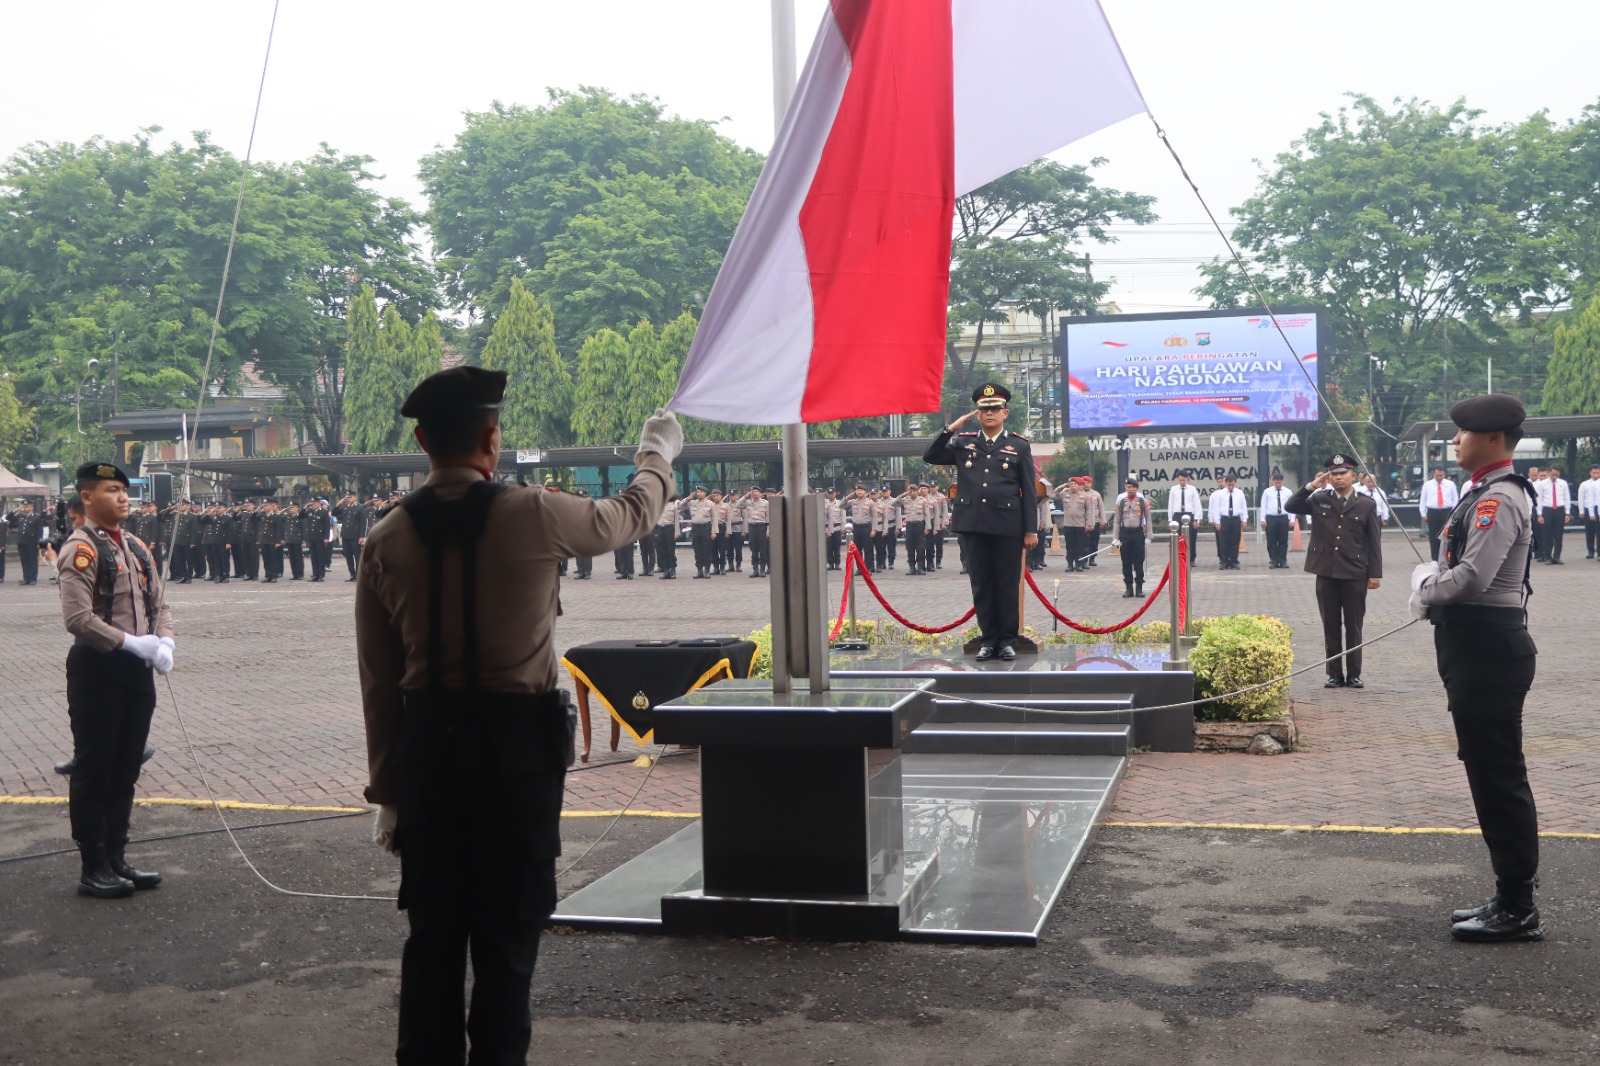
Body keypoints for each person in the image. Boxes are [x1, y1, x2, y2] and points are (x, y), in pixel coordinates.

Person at [357, 366, 681, 1063]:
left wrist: (388, 791)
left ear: (420, 440)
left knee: (434, 938)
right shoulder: (535, 512)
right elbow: (629, 515)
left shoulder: (386, 537)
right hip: (515, 757)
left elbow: (379, 682)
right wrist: (658, 454)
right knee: (507, 941)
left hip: (429, 756)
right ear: (491, 440)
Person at [1411, 394, 1544, 942]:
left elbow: (1471, 579)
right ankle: (1507, 895)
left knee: (1498, 776)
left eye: (1462, 433)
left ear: (1492, 438)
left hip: (1489, 648)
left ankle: (1518, 907)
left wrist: (1422, 587)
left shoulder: (1500, 500)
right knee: (1487, 772)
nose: (1455, 441)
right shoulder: (1482, 494)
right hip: (1472, 646)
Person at [56, 462, 174, 899]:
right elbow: (77, 618)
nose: (124, 497)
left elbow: (159, 602)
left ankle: (118, 856)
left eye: (125, 490)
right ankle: (94, 865)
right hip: (99, 666)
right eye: (112, 490)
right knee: (95, 767)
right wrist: (132, 643)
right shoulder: (80, 549)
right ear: (87, 497)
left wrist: (165, 642)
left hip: (137, 669)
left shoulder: (137, 547)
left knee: (126, 765)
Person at [922, 382, 1038, 661]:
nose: (989, 414)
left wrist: (1030, 529)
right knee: (982, 584)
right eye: (984, 409)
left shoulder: (1018, 445)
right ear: (977, 413)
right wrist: (951, 428)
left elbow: (1029, 490)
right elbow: (931, 456)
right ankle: (988, 640)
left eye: (995, 409)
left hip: (1008, 525)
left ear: (1005, 413)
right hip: (973, 524)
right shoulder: (964, 442)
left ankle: (1007, 640)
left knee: (1007, 584)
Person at [1285, 454, 1383, 688]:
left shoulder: (1366, 503)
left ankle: (1354, 674)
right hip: (1326, 571)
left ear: (1353, 476)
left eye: (1343, 473)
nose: (1339, 478)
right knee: (1330, 624)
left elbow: (1373, 541)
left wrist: (1374, 573)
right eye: (1334, 474)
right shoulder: (1319, 499)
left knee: (1354, 625)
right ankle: (1334, 673)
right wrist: (1311, 486)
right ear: (1329, 477)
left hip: (1355, 572)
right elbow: (1291, 505)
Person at [1111, 478, 1152, 598]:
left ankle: (1139, 587)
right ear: (1125, 488)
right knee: (1126, 562)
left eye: (1133, 487)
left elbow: (1148, 519)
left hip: (1138, 533)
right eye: (1129, 487)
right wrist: (1115, 537)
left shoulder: (1143, 502)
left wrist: (1149, 536)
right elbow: (1117, 521)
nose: (1131, 489)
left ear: (1137, 488)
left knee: (1138, 561)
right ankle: (1128, 587)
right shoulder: (1121, 502)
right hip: (1125, 534)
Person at [1208, 474, 1248, 570]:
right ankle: (1224, 562)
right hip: (1224, 519)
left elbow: (1243, 507)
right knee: (1224, 541)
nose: (1230, 487)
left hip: (1235, 519)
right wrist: (1217, 521)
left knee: (1235, 541)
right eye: (1229, 485)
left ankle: (1234, 561)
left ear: (1235, 483)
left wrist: (1244, 520)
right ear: (1225, 483)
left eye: (1232, 485)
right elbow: (1216, 508)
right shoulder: (1220, 494)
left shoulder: (1240, 493)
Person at [1420, 467, 1460, 562]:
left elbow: (1455, 499)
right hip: (1433, 511)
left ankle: (1447, 556)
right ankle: (1435, 558)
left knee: (1447, 535)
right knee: (1433, 536)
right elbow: (1423, 500)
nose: (1439, 477)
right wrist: (1423, 513)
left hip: (1446, 511)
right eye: (1437, 475)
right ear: (1433, 475)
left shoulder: (1450, 484)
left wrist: (1454, 512)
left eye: (1441, 475)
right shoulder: (1427, 485)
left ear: (1444, 474)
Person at [1535, 466, 1572, 565]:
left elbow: (1566, 498)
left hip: (1559, 510)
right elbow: (1539, 500)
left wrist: (1567, 512)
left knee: (1558, 535)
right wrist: (1539, 515)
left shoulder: (1563, 483)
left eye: (1557, 474)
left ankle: (1557, 556)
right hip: (1547, 510)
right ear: (1548, 473)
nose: (1555, 476)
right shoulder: (1542, 484)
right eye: (1553, 474)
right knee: (1547, 535)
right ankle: (1548, 556)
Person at [1258, 472, 1293, 568]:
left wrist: (1292, 519)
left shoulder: (1288, 492)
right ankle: (1273, 560)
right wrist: (1262, 519)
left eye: (1279, 482)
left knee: (1283, 541)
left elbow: (1291, 506)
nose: (1278, 484)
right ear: (1272, 481)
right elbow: (1263, 506)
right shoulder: (1267, 492)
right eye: (1276, 482)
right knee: (1271, 540)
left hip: (1283, 517)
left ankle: (1282, 560)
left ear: (1282, 481)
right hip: (1271, 518)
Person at [1166, 473, 1202, 563]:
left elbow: (1197, 504)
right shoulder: (1174, 489)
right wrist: (1170, 519)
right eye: (1180, 480)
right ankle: (1179, 558)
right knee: (1177, 538)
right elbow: (1170, 504)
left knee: (1191, 538)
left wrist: (1196, 519)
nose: (1182, 482)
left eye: (1184, 480)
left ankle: (1191, 558)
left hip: (1189, 514)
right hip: (1177, 514)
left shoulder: (1192, 489)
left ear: (1187, 479)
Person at [1579, 466, 1600, 560]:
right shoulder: (1585, 484)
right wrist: (1581, 511)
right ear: (1590, 473)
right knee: (1590, 531)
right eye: (1594, 473)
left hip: (1598, 508)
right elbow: (1581, 498)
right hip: (1588, 509)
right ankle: (1590, 551)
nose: (1596, 475)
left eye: (1598, 473)